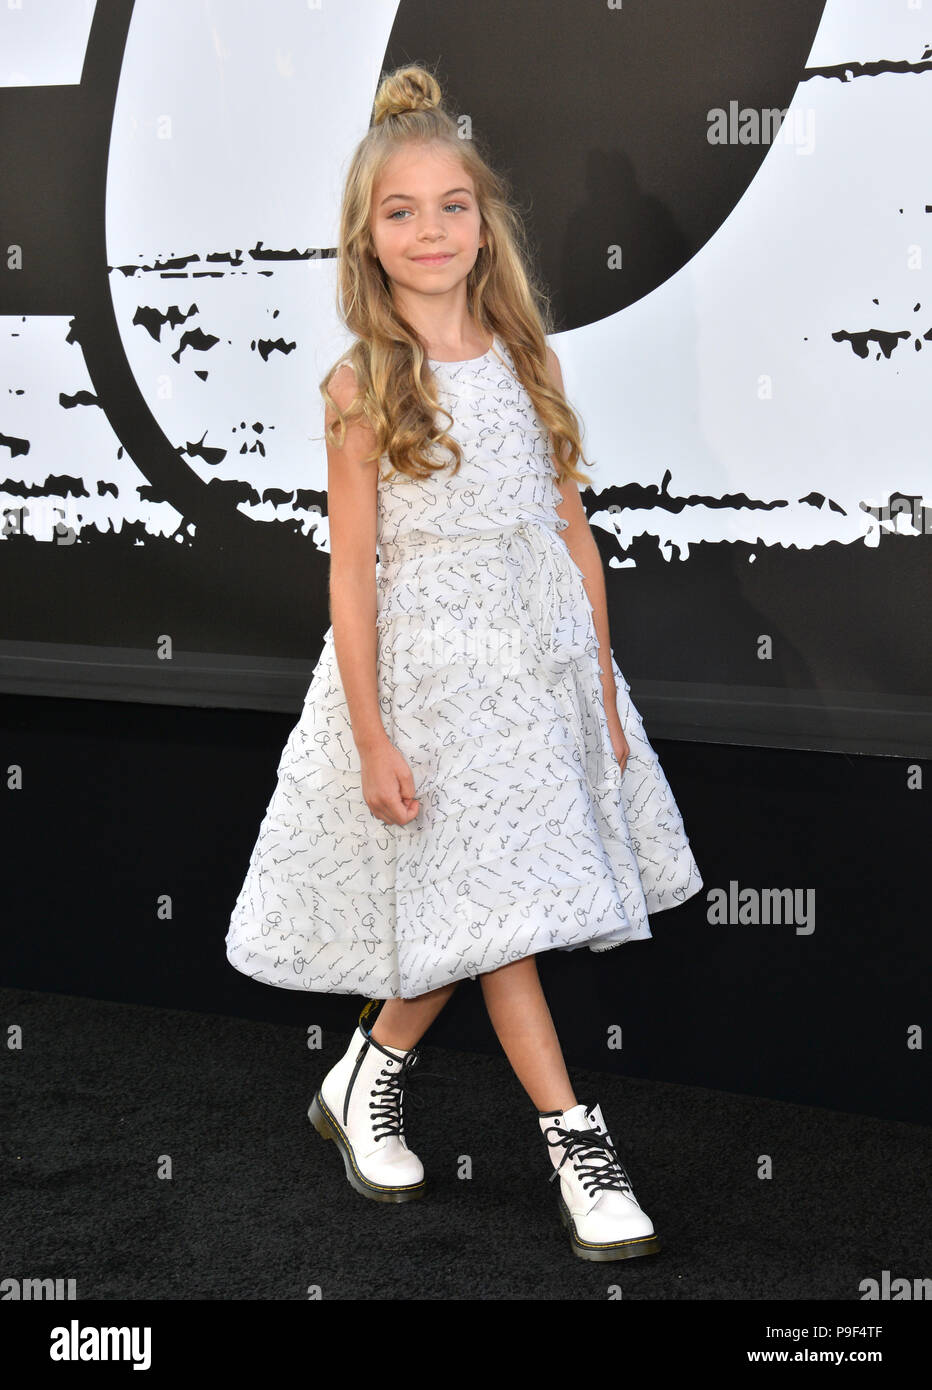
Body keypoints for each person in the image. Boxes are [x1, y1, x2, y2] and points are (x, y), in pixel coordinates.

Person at [226, 62, 703, 1263]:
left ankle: (366, 1070)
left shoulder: (526, 357)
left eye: (451, 204)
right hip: (428, 680)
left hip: (537, 671)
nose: (430, 229)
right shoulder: (358, 385)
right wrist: (374, 734)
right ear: (365, 238)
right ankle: (572, 1138)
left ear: (482, 220)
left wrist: (600, 691)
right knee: (500, 923)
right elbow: (350, 575)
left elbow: (573, 539)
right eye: (400, 211)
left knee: (494, 904)